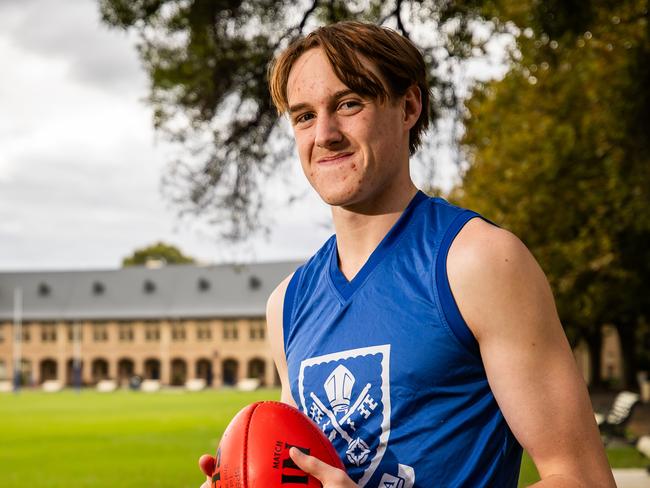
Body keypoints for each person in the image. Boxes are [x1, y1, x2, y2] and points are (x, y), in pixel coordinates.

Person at [199, 21, 615, 487]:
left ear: (408, 107)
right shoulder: (286, 304)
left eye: (349, 104)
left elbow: (582, 478)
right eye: (304, 116)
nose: (326, 134)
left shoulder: (478, 261)